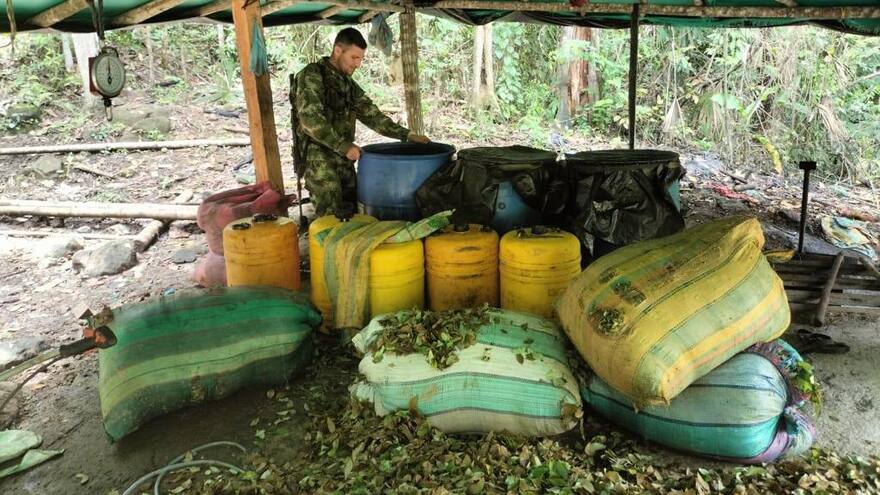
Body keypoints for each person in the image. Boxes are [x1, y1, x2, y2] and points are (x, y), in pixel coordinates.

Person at [292, 27, 430, 217]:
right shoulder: (313, 75)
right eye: (354, 57)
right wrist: (343, 146)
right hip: (319, 159)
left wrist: (407, 135)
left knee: (353, 213)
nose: (358, 64)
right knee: (331, 217)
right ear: (338, 50)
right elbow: (310, 120)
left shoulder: (348, 84)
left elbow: (372, 115)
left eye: (361, 59)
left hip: (344, 158)